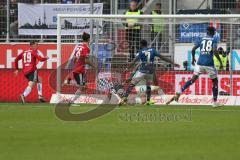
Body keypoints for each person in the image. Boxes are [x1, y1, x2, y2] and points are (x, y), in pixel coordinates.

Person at [166, 26, 223, 108]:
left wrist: (193, 59)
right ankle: (214, 102)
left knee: (192, 80)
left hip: (199, 63)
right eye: (214, 31)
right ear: (213, 32)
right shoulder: (214, 40)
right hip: (209, 64)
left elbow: (193, 49)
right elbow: (214, 50)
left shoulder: (202, 39)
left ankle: (180, 92)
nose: (215, 33)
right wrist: (220, 61)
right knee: (215, 81)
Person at [119, 39, 180, 105]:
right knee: (148, 86)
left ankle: (124, 98)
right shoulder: (153, 50)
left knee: (132, 84)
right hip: (150, 72)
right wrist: (173, 63)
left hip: (142, 71)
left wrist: (127, 68)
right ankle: (148, 101)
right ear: (147, 44)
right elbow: (162, 57)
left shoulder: (140, 52)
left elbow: (134, 62)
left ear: (141, 45)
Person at [64, 32, 97, 104]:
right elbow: (86, 60)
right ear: (88, 39)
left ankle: (72, 100)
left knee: (83, 87)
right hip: (79, 70)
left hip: (79, 69)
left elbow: (75, 58)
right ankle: (69, 82)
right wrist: (94, 66)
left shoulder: (79, 46)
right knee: (82, 86)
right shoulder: (86, 48)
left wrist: (77, 64)